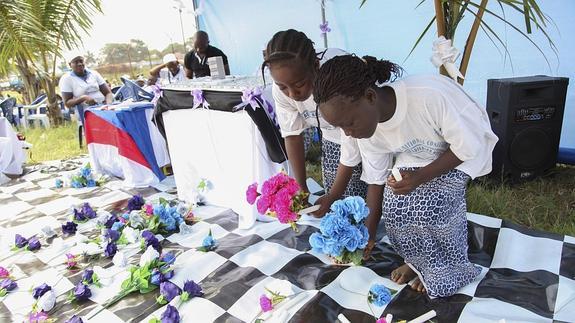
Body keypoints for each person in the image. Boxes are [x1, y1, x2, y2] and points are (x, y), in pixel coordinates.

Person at [312, 55, 498, 297]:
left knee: (431, 202)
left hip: (465, 147)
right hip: (420, 153)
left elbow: (466, 147)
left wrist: (420, 178)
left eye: (349, 123)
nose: (348, 133)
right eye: (340, 128)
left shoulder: (428, 96)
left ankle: (451, 269)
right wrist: (368, 236)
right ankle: (417, 262)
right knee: (395, 203)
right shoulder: (365, 130)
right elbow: (376, 182)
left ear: (370, 96)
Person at [261, 29, 368, 208]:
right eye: (283, 87)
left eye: (299, 84)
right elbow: (292, 135)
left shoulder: (337, 73)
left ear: (316, 66)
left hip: (366, 133)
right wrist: (302, 188)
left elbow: (352, 140)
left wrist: (333, 195)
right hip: (332, 137)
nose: (292, 94)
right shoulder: (282, 91)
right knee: (338, 207)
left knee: (362, 200)